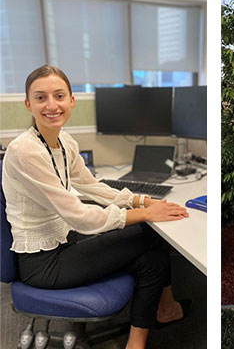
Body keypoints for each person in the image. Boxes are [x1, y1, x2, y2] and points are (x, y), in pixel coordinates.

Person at [2, 65, 190, 349]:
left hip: (64, 241)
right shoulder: (24, 151)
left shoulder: (64, 141)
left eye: (59, 95)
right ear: (29, 104)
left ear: (72, 100)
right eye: (41, 98)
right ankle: (164, 311)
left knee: (153, 258)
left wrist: (139, 201)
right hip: (43, 263)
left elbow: (91, 186)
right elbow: (80, 217)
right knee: (148, 233)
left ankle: (152, 325)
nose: (52, 105)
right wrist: (145, 213)